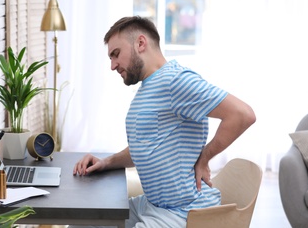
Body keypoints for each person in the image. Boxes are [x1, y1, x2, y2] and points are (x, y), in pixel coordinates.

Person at [72, 16, 256, 228]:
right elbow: (145, 147)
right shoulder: (149, 87)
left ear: (140, 43)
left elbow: (242, 114)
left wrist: (204, 157)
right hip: (152, 205)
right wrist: (106, 162)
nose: (113, 65)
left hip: (183, 211)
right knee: (82, 221)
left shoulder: (175, 81)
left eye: (116, 54)